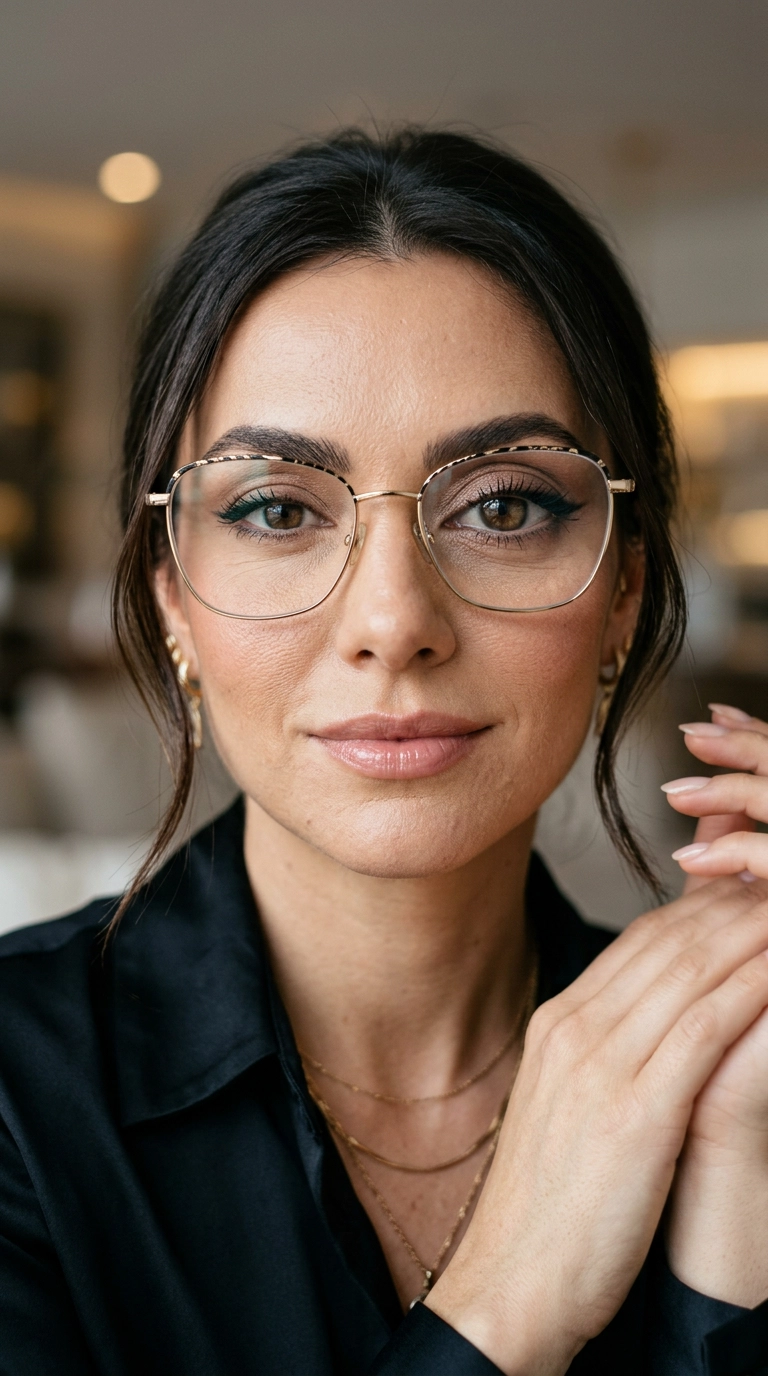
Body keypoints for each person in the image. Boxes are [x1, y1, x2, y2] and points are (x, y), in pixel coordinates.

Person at [1, 128, 767, 1376]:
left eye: (505, 504)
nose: (393, 621)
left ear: (626, 585)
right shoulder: (20, 1098)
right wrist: (509, 1291)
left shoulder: (738, 1063)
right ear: (174, 595)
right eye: (277, 509)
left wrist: (738, 1163)